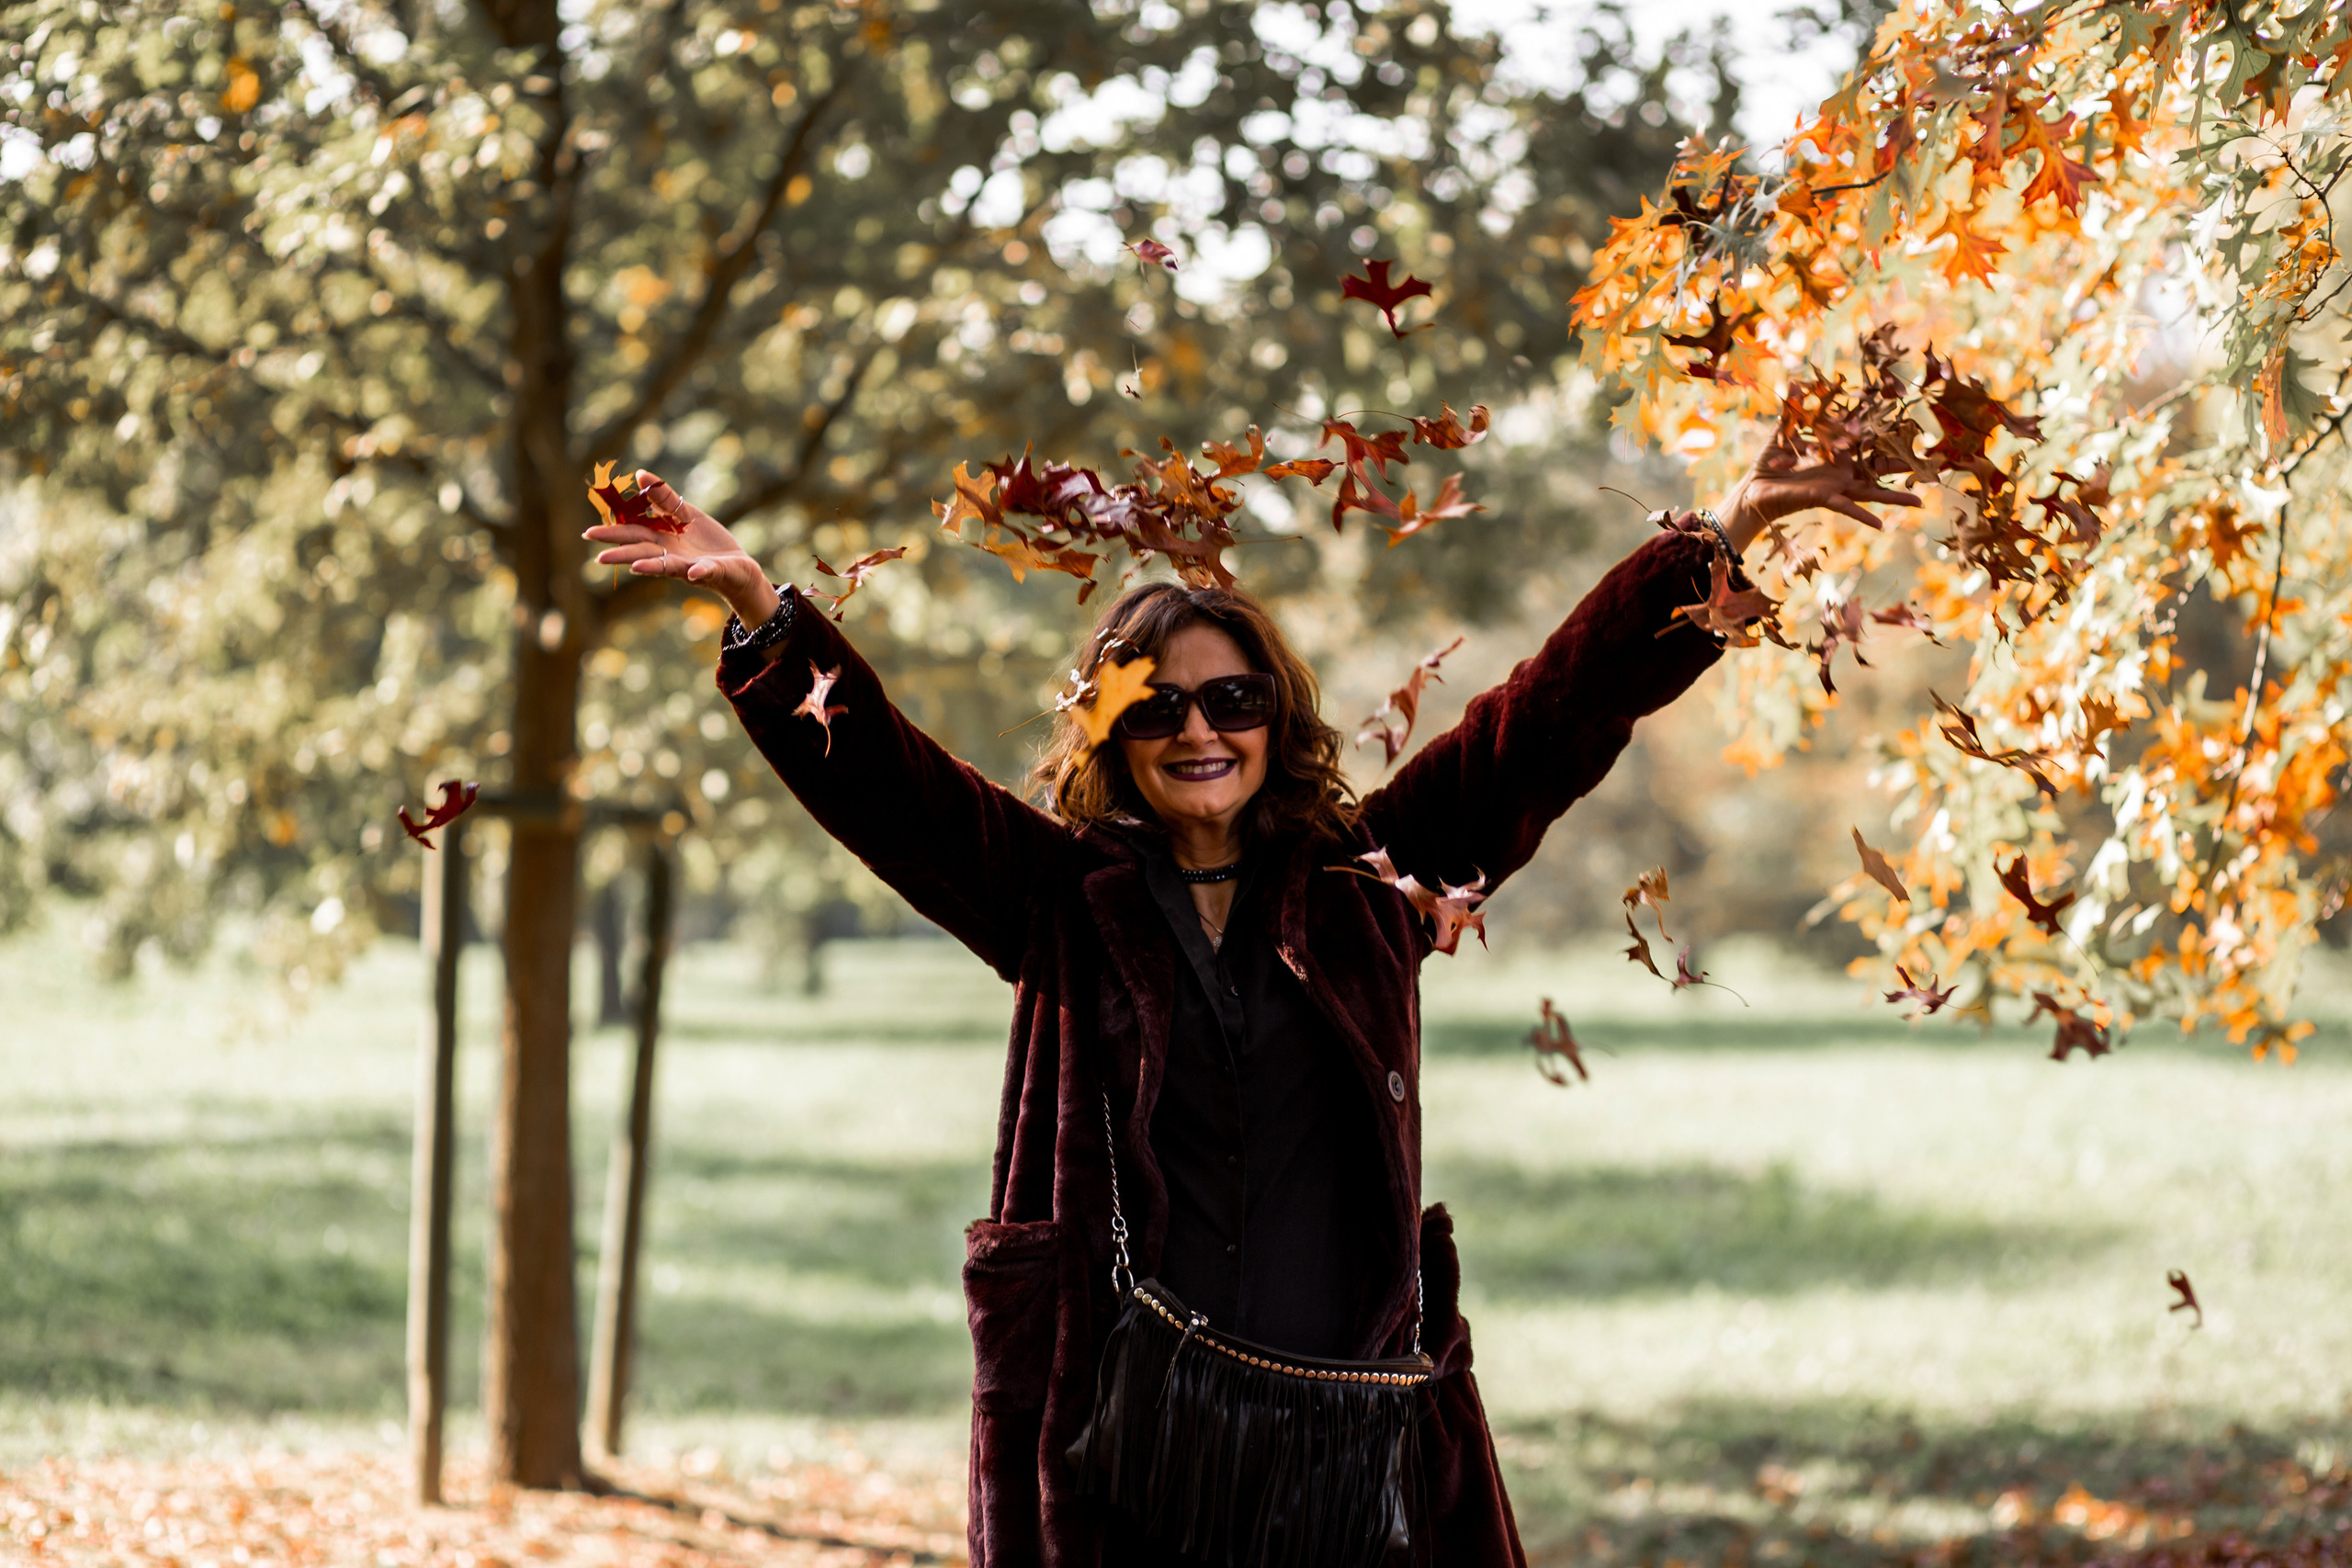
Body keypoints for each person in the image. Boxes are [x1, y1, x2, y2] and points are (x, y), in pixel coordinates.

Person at [586, 440, 1905, 1566]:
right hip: (1121, 1433)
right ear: (1114, 732)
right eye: (1157, 709)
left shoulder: (1374, 884)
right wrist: (763, 611)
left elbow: (1544, 721)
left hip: (1341, 1440)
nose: (1199, 729)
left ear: (1278, 716)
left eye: (1234, 698)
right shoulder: (1057, 898)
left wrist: (1712, 539)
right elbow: (891, 787)